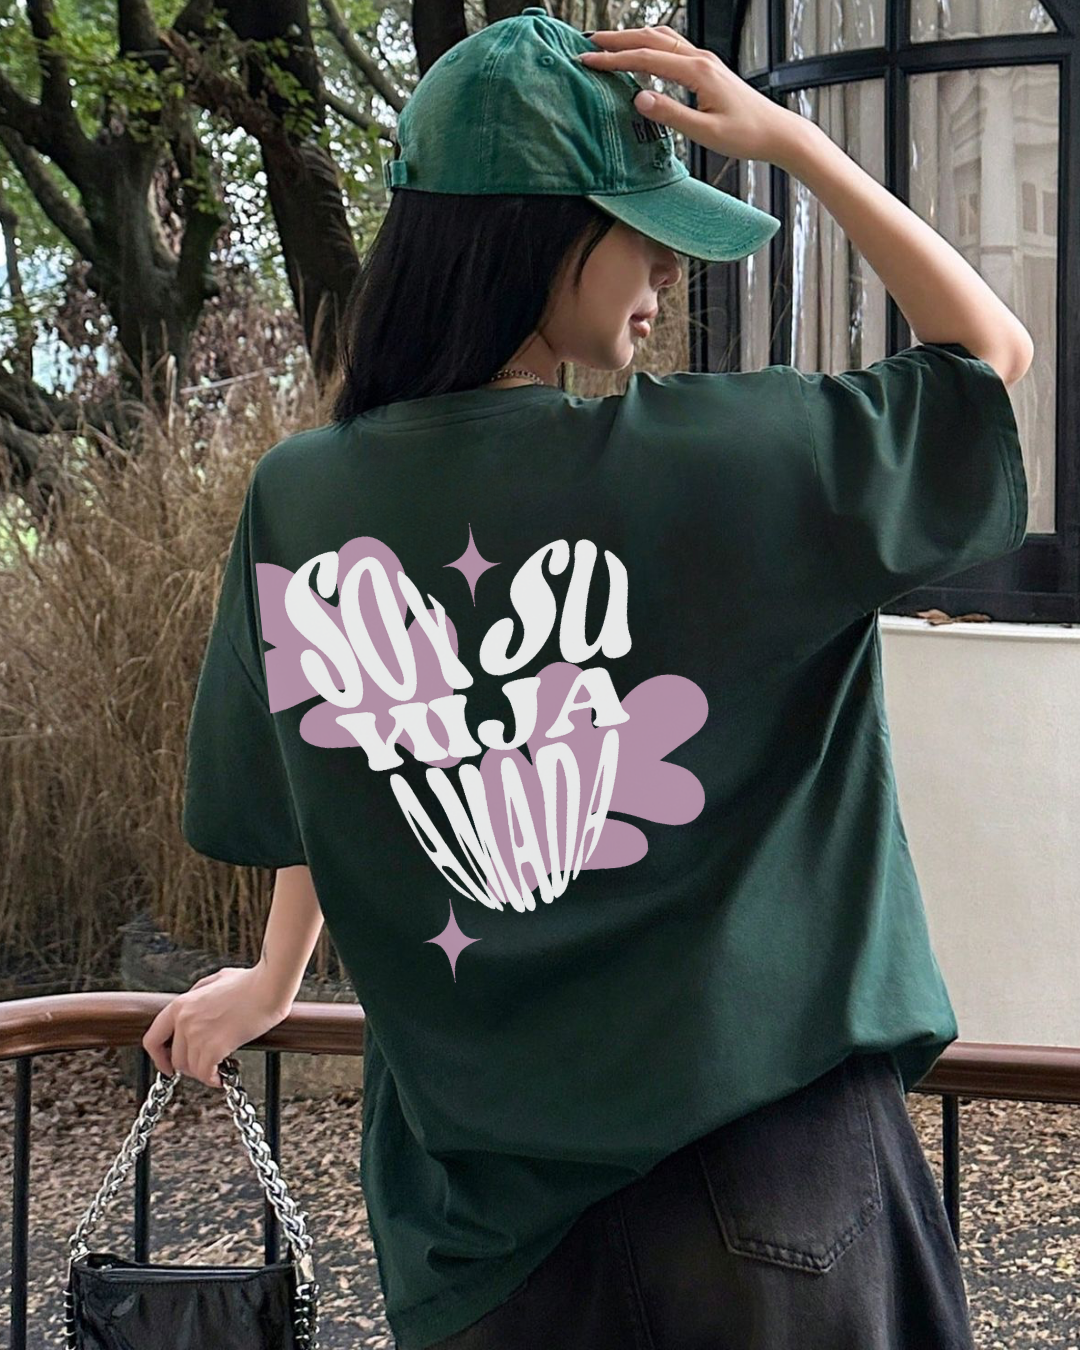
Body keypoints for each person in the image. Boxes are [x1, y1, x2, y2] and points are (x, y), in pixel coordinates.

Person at [147, 9, 1032, 1349]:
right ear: (535, 236)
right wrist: (794, 145)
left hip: (485, 1245)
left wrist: (278, 977)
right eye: (639, 226)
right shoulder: (727, 463)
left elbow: (349, 747)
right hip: (770, 1188)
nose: (668, 268)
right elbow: (989, 358)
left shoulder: (303, 501)